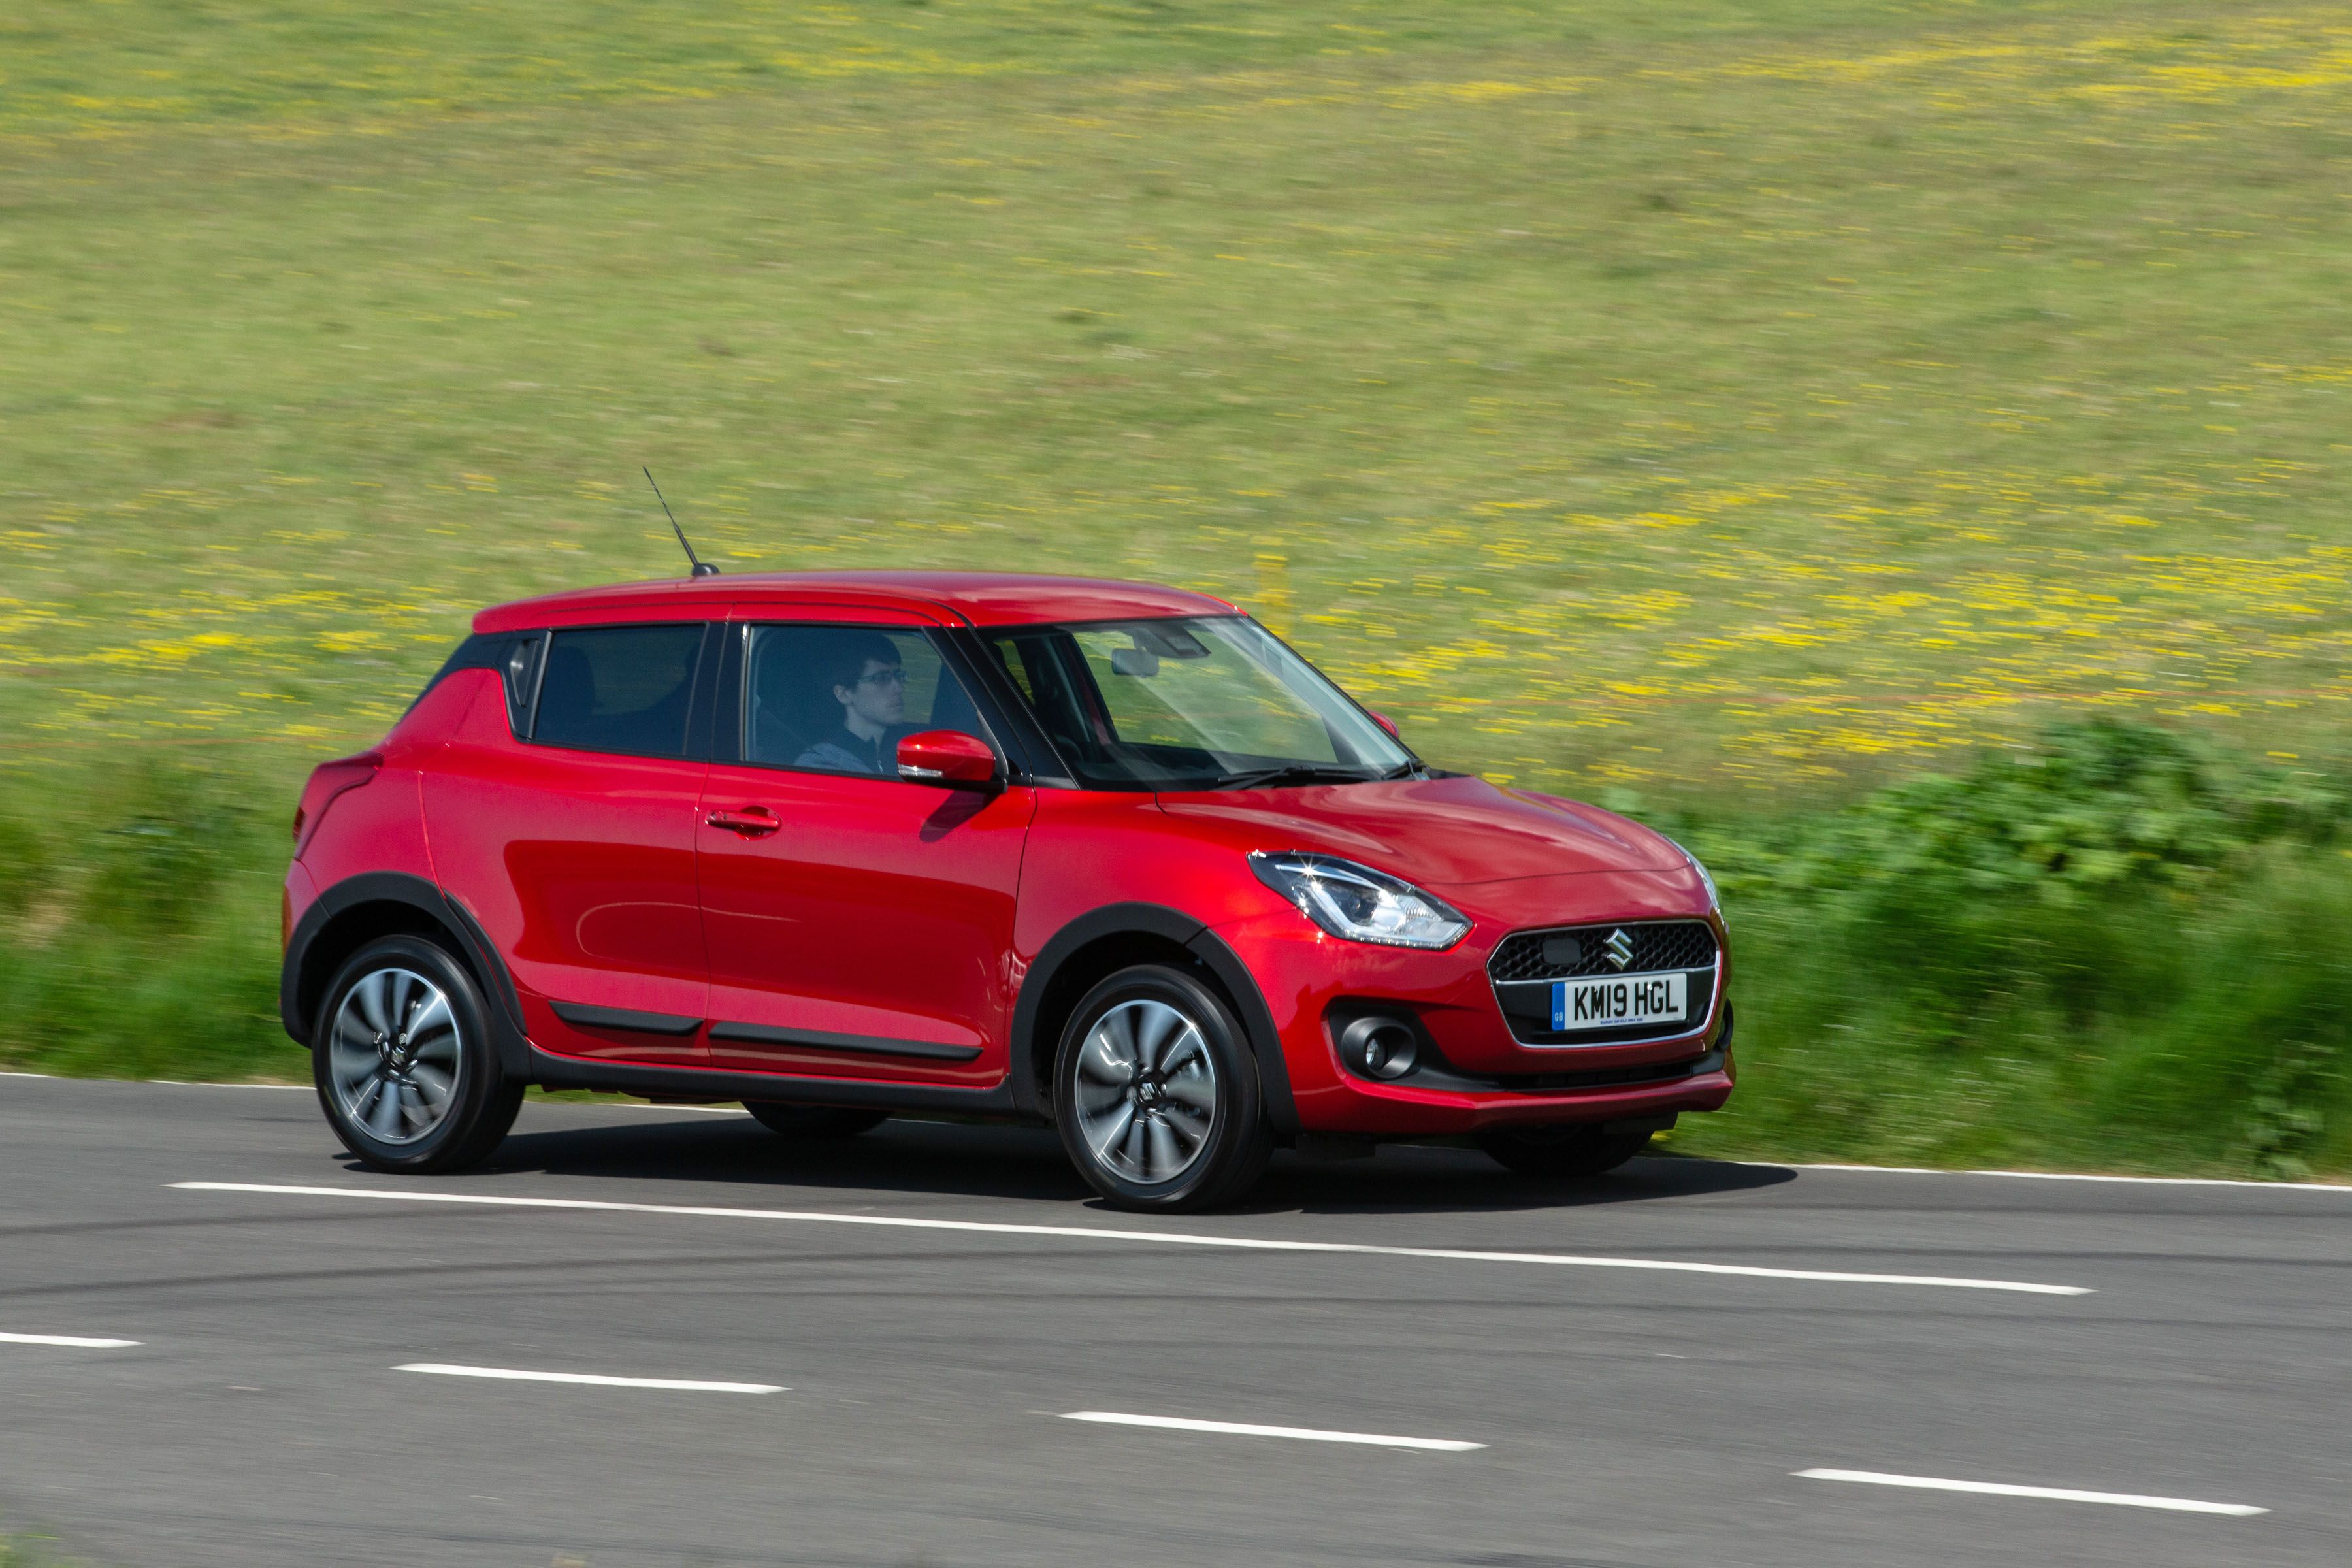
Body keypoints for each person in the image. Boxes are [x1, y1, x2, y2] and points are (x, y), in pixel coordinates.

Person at [796, 632, 906, 774]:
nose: (899, 688)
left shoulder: (906, 751)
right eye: (882, 679)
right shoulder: (821, 764)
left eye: (898, 676)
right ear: (844, 694)